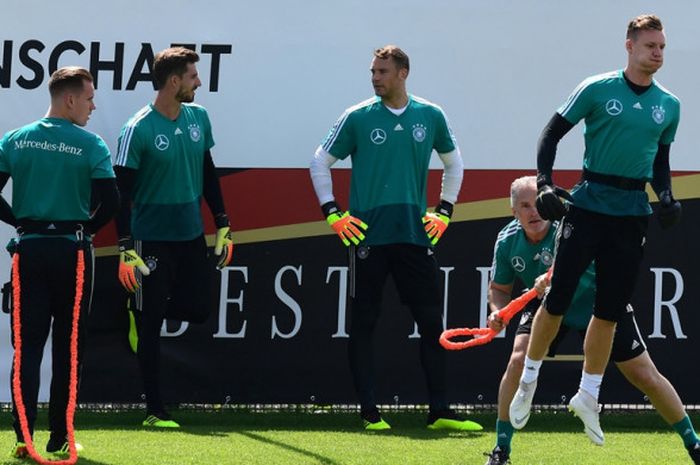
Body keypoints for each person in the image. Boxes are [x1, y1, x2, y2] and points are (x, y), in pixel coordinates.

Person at [508, 12, 692, 457]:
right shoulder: (597, 88)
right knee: (558, 297)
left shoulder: (669, 105)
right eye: (650, 45)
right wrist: (547, 183)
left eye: (663, 46)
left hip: (631, 215)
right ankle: (529, 378)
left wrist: (664, 196)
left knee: (608, 311)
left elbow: (660, 160)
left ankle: (587, 395)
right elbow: (551, 134)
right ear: (629, 46)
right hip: (588, 205)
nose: (658, 53)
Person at [309, 45, 481, 432]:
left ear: (403, 73)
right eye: (373, 71)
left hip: (414, 235)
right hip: (368, 236)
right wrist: (333, 213)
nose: (375, 78)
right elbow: (320, 161)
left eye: (382, 72)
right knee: (365, 321)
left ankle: (439, 411)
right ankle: (369, 412)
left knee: (431, 322)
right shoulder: (357, 117)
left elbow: (454, 164)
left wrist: (445, 210)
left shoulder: (430, 115)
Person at [484, 177, 700, 465]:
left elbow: (581, 265)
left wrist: (551, 277)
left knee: (644, 374)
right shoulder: (507, 240)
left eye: (537, 202)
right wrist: (497, 312)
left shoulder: (571, 226)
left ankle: (694, 444)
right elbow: (499, 289)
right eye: (524, 206)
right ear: (514, 212)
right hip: (547, 303)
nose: (533, 211)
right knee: (518, 361)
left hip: (597, 298)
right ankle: (501, 450)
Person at [0, 67, 119, 458]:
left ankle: (23, 439)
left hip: (29, 250)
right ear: (69, 99)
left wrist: (21, 222)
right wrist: (85, 228)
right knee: (69, 348)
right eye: (88, 98)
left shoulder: (15, 140)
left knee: (27, 348)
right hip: (73, 253)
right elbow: (113, 203)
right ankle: (61, 439)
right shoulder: (91, 144)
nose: (92, 105)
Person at [114, 47, 234, 428]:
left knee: (198, 309)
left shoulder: (199, 118)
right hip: (151, 241)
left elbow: (208, 171)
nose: (199, 82)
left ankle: (139, 308)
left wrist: (223, 222)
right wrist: (125, 247)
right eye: (193, 76)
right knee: (151, 326)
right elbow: (121, 194)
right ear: (173, 81)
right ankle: (154, 410)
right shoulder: (138, 128)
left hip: (191, 236)